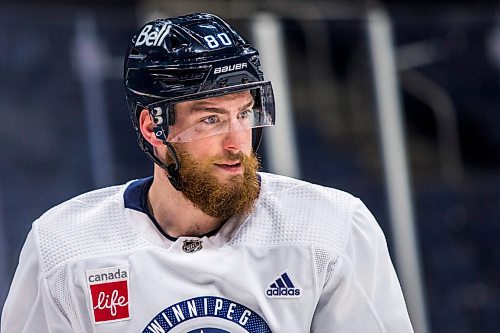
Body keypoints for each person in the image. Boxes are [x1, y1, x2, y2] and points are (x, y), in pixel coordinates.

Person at [1, 13, 414, 332]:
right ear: (153, 128)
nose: (238, 142)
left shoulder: (332, 227)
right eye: (211, 120)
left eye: (244, 113)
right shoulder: (63, 248)